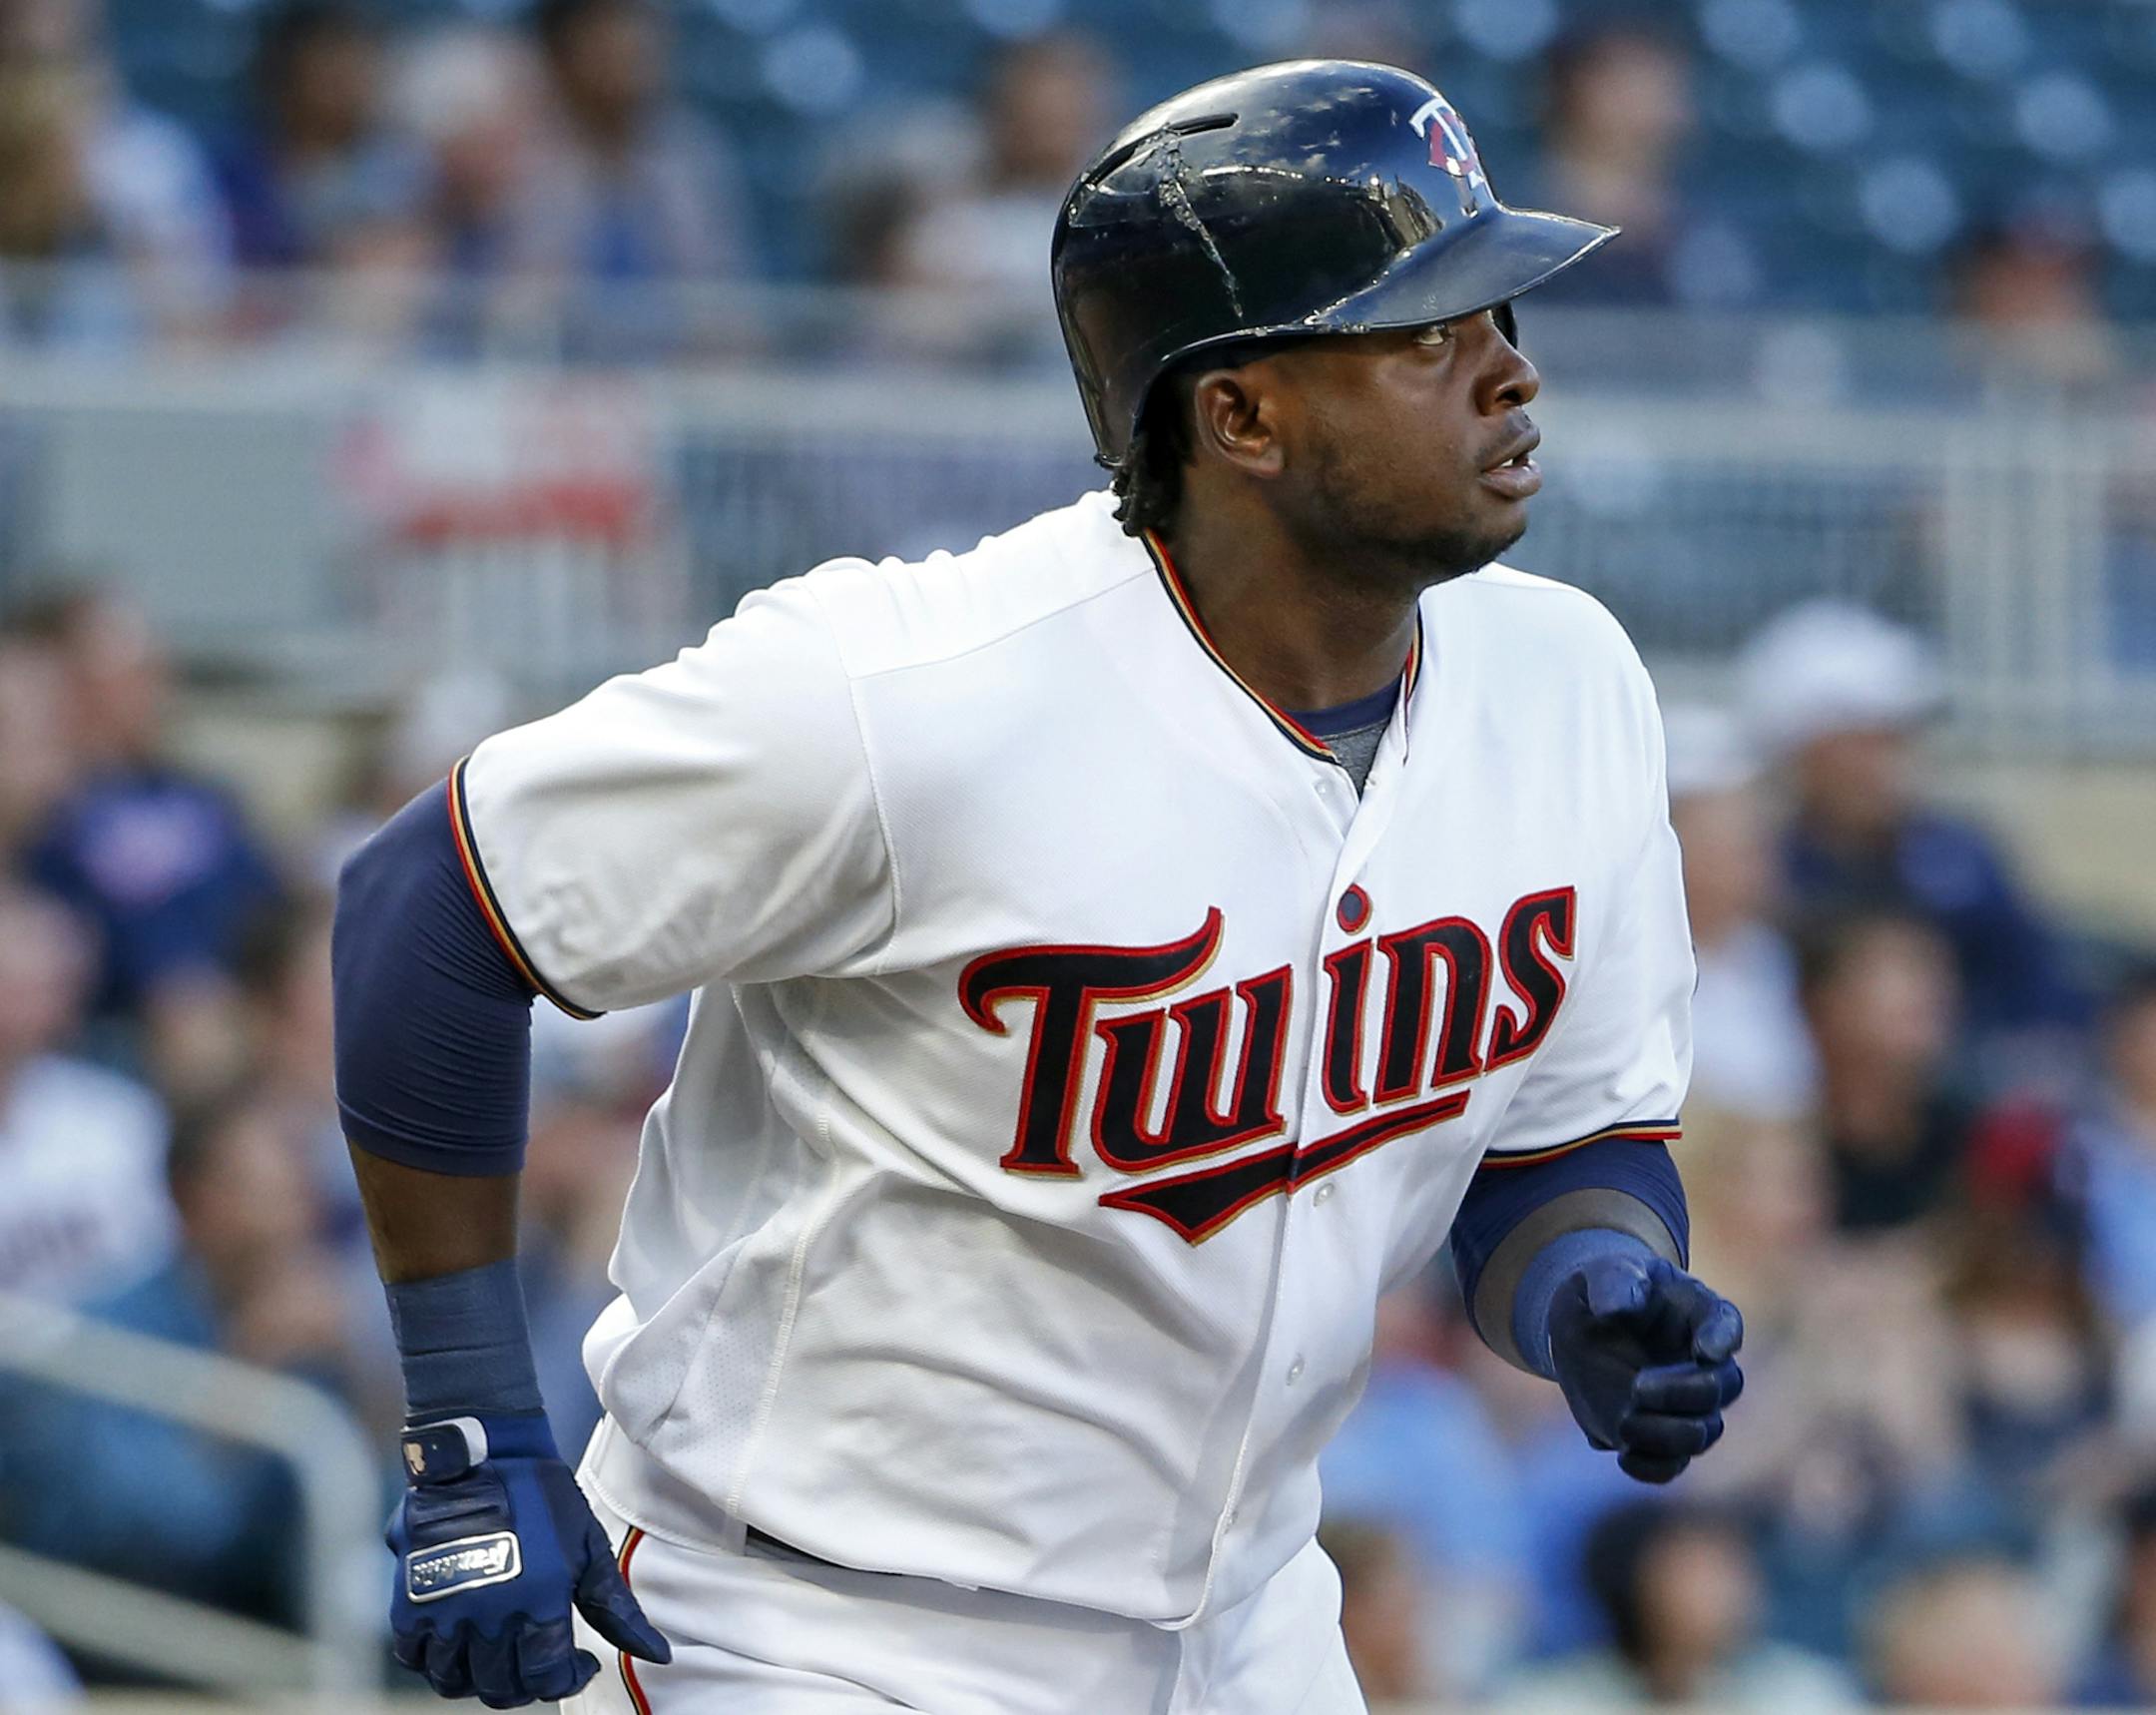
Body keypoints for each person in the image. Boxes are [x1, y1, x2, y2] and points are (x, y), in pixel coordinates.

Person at [333, 62, 1743, 1711]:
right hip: (812, 1625)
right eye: (1426, 330)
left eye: (1497, 313)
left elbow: (1566, 1142)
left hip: (1250, 1619)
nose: (1509, 370)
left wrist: (1587, 1279)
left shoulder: (1570, 682)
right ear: (1242, 415)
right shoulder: (912, 691)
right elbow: (429, 907)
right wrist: (469, 1425)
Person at [1737, 599, 2086, 1072]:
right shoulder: (1759, 870)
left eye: (1897, 738)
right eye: (1863, 741)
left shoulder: (1962, 855)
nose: (1887, 764)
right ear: (1800, 752)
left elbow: (2038, 995)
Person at [1498, 1500, 1855, 1708]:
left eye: (1733, 1567)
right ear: (1634, 1584)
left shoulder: (1802, 1694)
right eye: (1698, 1570)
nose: (1729, 1589)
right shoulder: (1549, 1701)